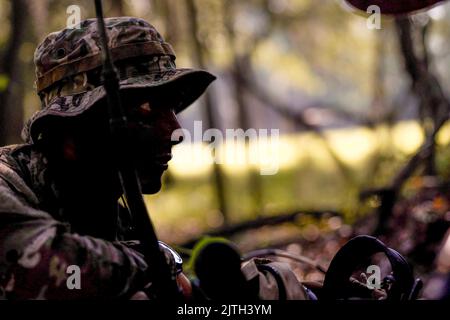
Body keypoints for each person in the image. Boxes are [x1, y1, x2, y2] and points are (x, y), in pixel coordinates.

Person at [0, 17, 215, 300]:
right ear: (68, 130)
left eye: (172, 107)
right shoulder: (7, 183)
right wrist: (154, 263)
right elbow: (38, 267)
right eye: (145, 109)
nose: (175, 132)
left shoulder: (104, 207)